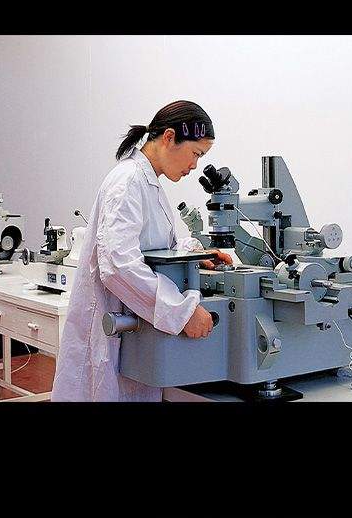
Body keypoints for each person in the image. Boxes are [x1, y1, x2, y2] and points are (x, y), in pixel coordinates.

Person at [51, 100, 232, 402]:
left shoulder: (149, 183)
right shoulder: (128, 181)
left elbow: (153, 248)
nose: (194, 166)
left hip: (135, 337)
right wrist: (182, 312)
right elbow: (118, 265)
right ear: (170, 137)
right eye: (196, 154)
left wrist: (197, 255)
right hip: (112, 332)